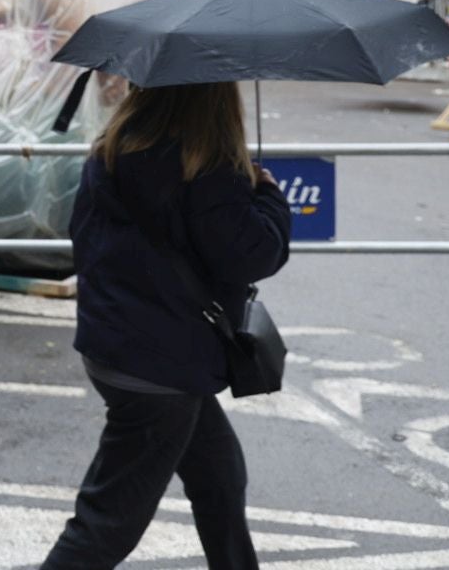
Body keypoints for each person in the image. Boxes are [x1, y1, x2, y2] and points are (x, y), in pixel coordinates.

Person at [42, 83, 291, 570]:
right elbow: (253, 254)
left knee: (220, 476)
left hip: (122, 345)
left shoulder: (116, 147)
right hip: (161, 368)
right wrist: (269, 199)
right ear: (218, 102)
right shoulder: (207, 170)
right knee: (106, 524)